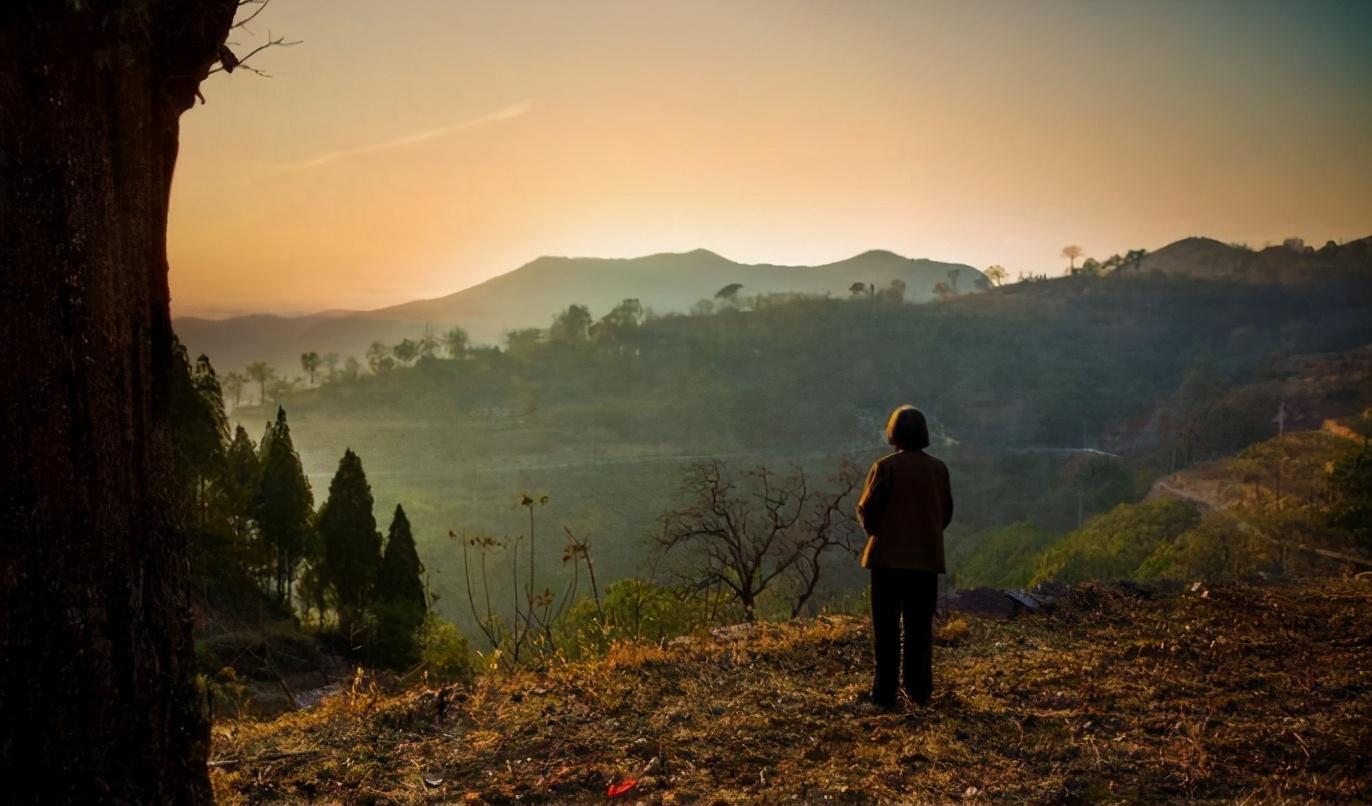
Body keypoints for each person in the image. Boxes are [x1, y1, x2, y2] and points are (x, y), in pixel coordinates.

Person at [855, 405, 953, 708]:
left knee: (886, 633)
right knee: (919, 631)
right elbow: (945, 514)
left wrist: (881, 532)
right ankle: (919, 693)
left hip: (886, 561)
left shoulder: (885, 467)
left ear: (893, 433)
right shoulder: (938, 469)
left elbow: (868, 512)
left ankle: (884, 696)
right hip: (926, 561)